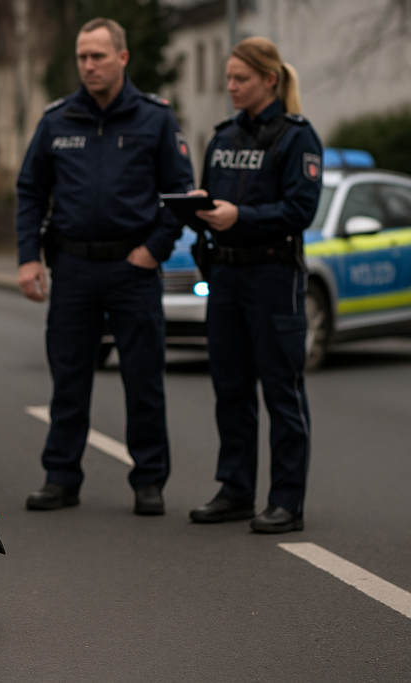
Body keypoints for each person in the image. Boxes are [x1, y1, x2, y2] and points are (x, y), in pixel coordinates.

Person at [16, 17, 194, 515]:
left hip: (132, 269)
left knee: (143, 379)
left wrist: (154, 249)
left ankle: (149, 480)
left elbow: (181, 192)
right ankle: (61, 477)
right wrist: (29, 256)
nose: (88, 65)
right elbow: (30, 190)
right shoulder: (57, 120)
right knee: (69, 378)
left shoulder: (155, 118)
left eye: (97, 55)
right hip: (72, 267)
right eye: (81, 57)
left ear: (122, 57)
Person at [188, 37, 322, 533]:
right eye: (228, 79)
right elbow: (210, 200)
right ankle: (236, 491)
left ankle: (287, 501)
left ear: (270, 79)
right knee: (230, 388)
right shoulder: (223, 137)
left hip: (273, 275)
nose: (231, 87)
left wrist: (240, 215)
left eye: (241, 79)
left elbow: (300, 210)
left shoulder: (296, 137)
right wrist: (197, 209)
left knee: (282, 389)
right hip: (225, 276)